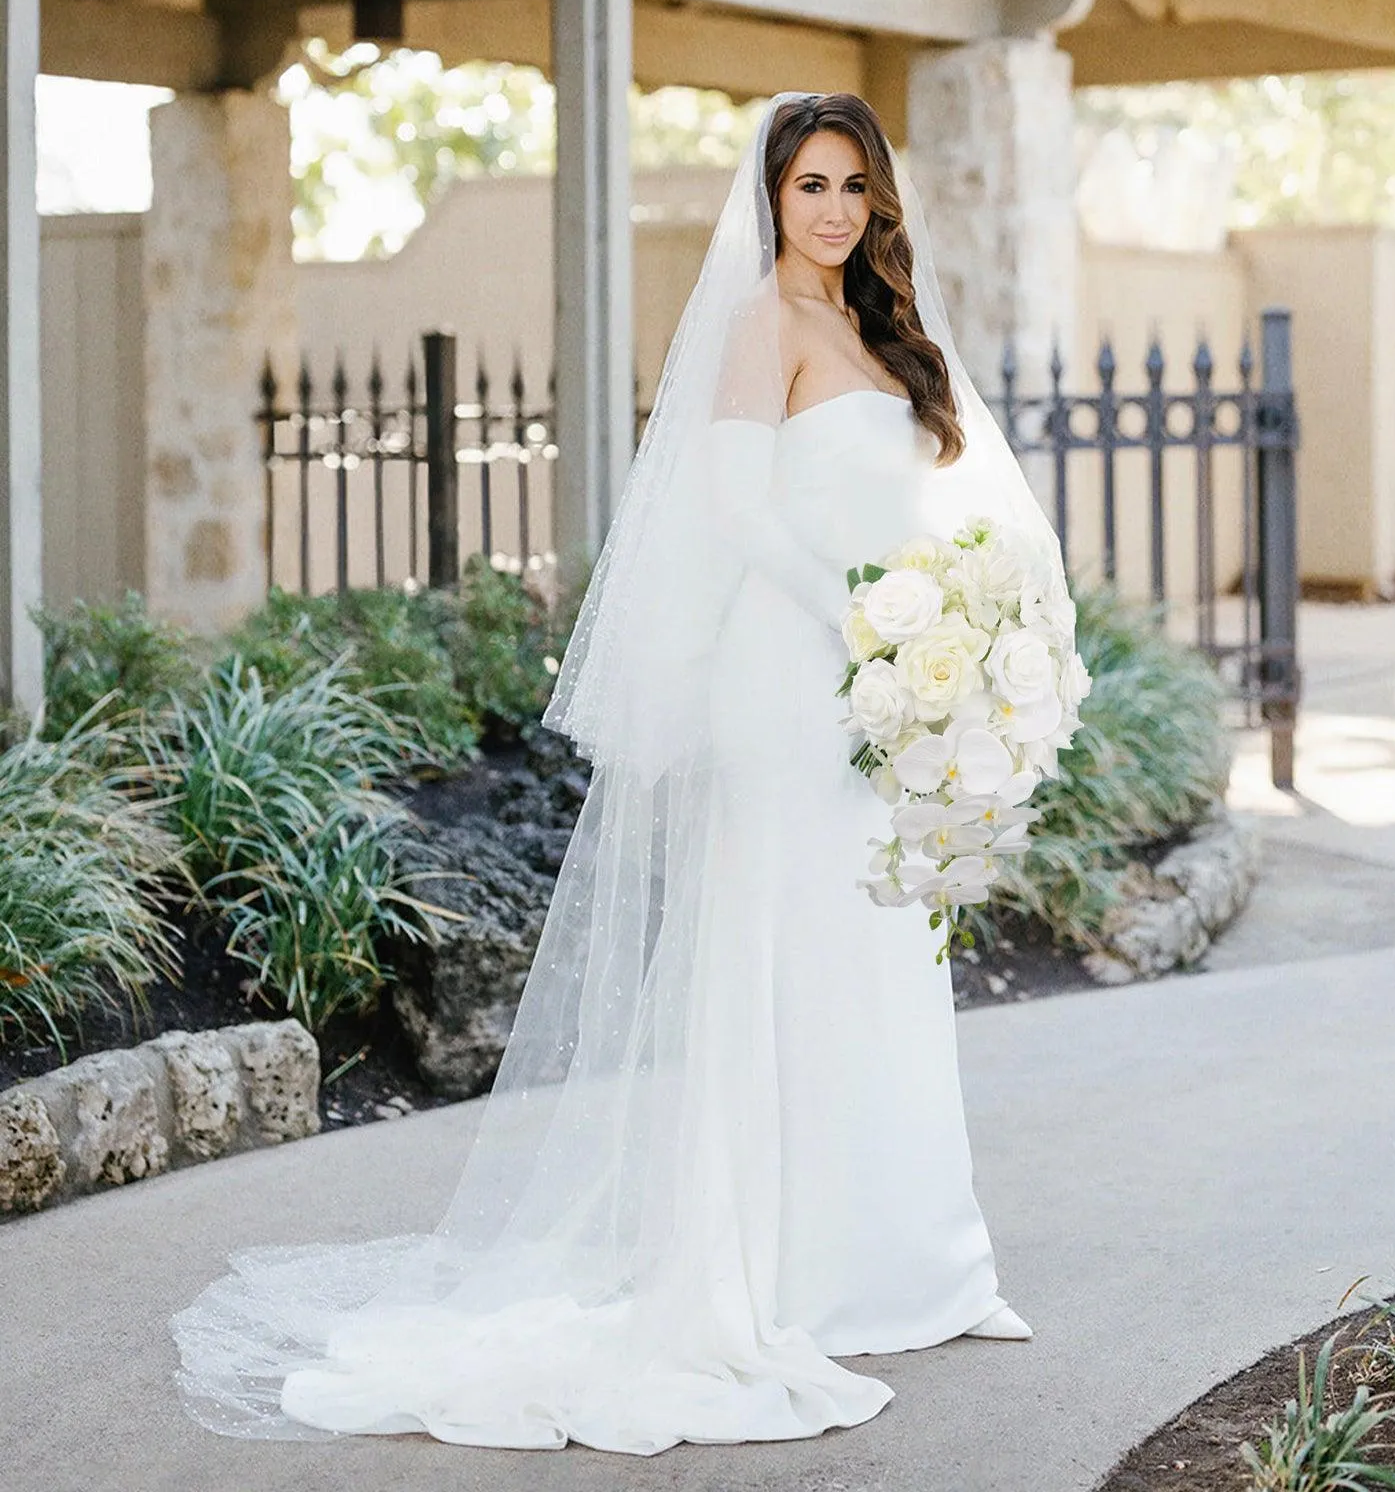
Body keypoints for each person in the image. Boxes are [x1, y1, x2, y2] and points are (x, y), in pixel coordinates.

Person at [170, 91, 1074, 1454]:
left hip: (880, 682)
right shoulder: (761, 322)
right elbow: (731, 509)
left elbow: (924, 502)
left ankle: (916, 1266)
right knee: (785, 955)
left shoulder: (883, 330)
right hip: (794, 673)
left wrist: (945, 615)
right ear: (770, 197)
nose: (830, 208)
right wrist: (859, 616)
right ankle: (779, 1274)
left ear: (877, 199)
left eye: (850, 186)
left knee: (883, 952)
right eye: (808, 184)